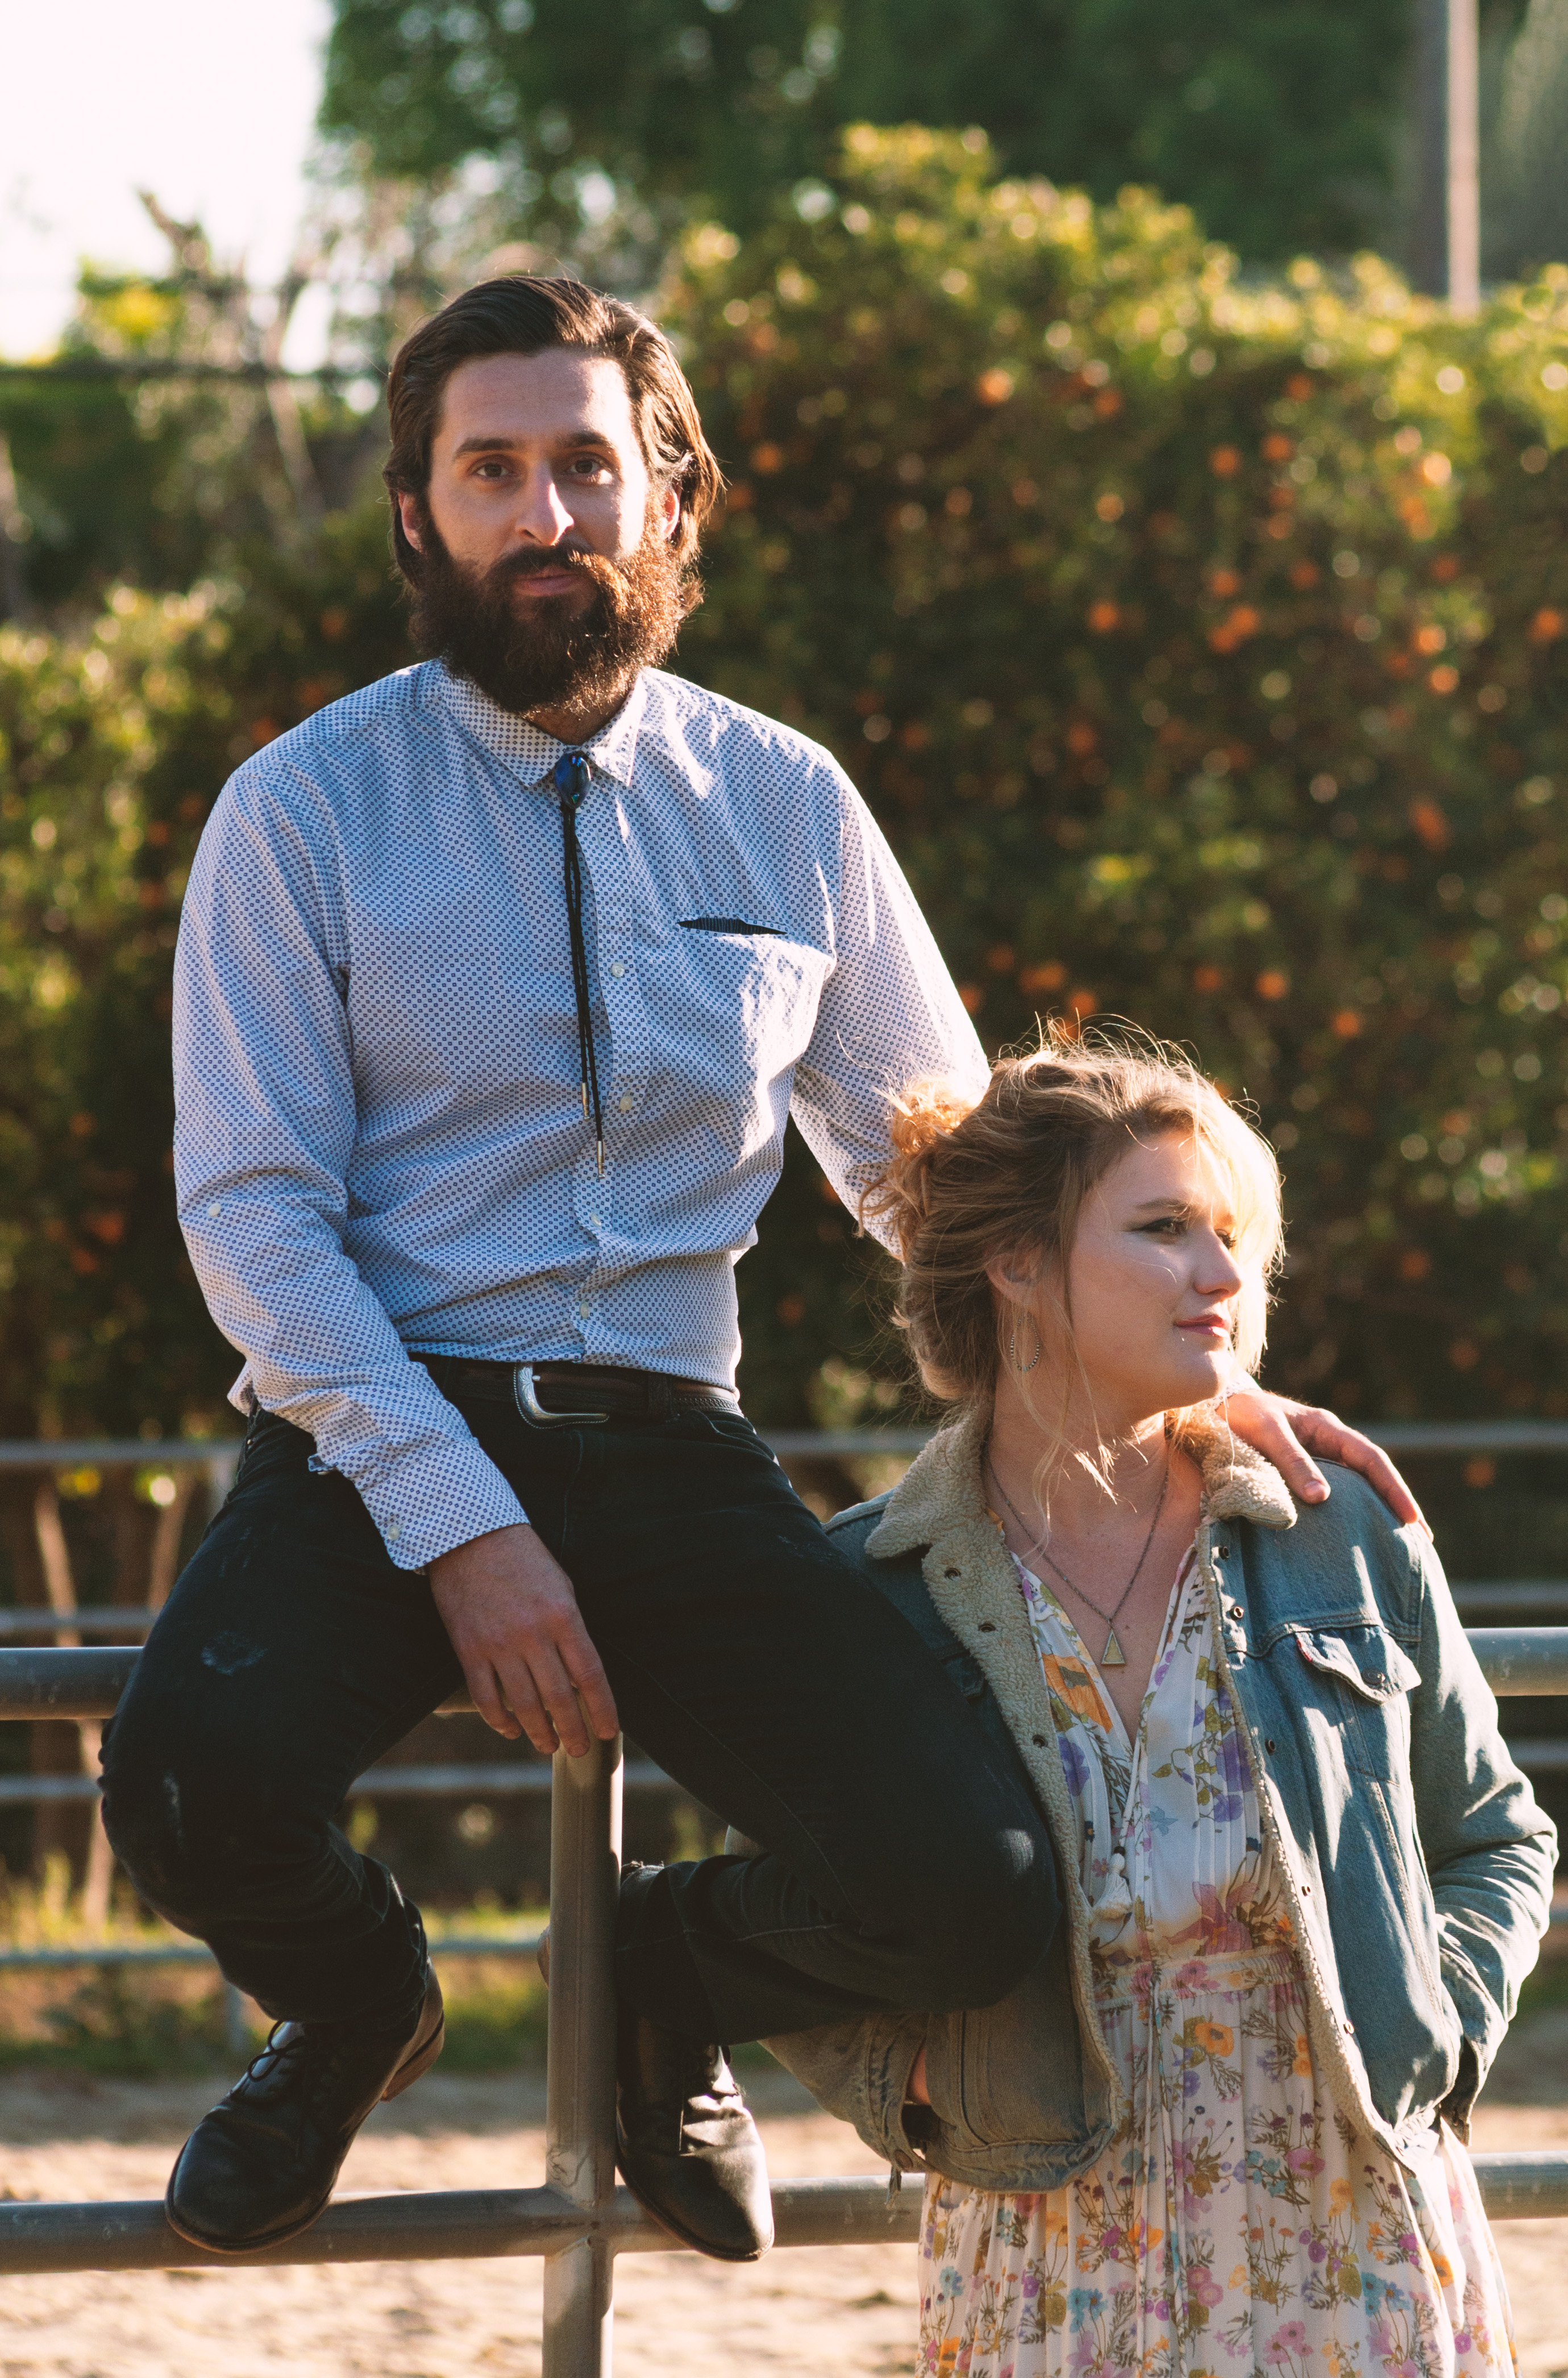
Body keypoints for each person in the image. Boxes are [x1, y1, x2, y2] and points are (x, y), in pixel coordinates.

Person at [99, 272, 1424, 2267]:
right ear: (419, 513)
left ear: (671, 497)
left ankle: (657, 1975)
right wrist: (464, 1525)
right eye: (490, 472)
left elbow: (954, 1176)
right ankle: (359, 2008)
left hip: (667, 1446)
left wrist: (1186, 1376)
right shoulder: (300, 811)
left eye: (585, 466)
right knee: (185, 1786)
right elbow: (256, 1216)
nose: (545, 515)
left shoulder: (786, 803)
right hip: (377, 1427)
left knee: (971, 1882)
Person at [762, 1032, 1554, 2377]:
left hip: (1352, 2231)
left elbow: (1495, 1832)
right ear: (1018, 1262)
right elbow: (771, 1908)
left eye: (1233, 1235)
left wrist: (1440, 2027)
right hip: (1046, 2252)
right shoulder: (874, 1588)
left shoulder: (1336, 1529)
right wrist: (918, 2086)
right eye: (1165, 1228)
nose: (1224, 1275)